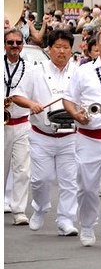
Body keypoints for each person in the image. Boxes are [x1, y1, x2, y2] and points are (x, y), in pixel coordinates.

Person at [11, 29, 80, 235]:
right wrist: (32, 104)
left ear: (71, 50)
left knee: (70, 181)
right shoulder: (35, 72)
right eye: (57, 47)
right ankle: (40, 209)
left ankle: (66, 220)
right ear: (49, 49)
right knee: (41, 179)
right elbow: (17, 95)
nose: (61, 51)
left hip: (70, 136)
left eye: (66, 47)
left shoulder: (78, 72)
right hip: (42, 135)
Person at [63, 27, 101, 249]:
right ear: (97, 45)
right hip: (88, 138)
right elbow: (68, 99)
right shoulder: (83, 71)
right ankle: (87, 225)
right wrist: (75, 113)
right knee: (87, 187)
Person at [4, 28, 31, 225]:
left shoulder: (30, 68)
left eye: (18, 43)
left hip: (21, 123)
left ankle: (19, 210)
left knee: (22, 169)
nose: (14, 46)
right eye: (10, 42)